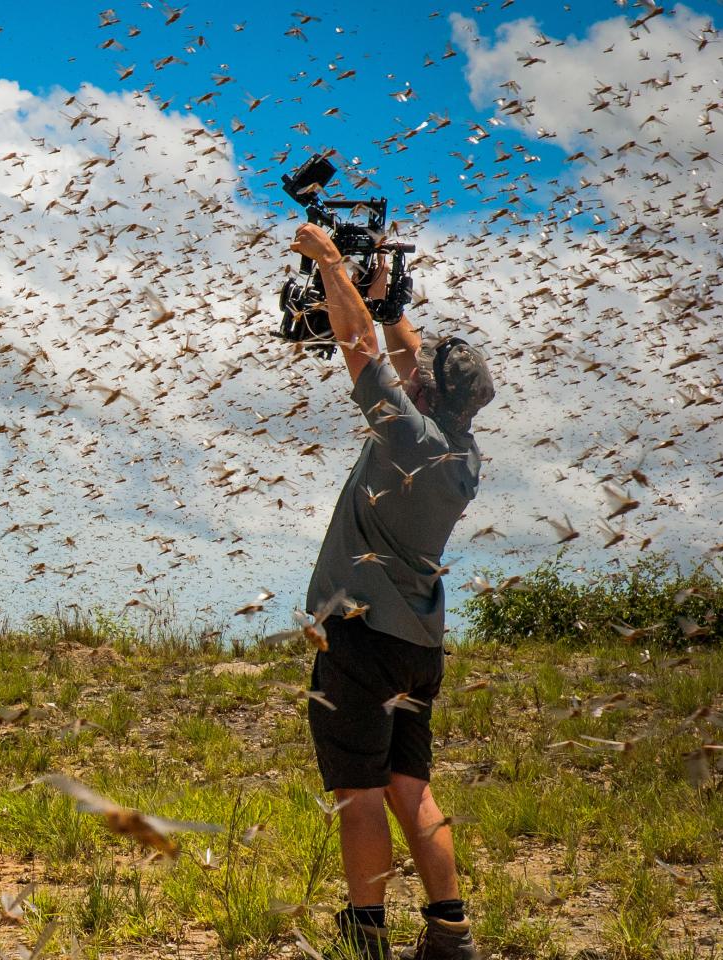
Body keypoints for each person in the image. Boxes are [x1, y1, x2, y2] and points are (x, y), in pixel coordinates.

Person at [288, 223, 496, 960]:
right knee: (412, 788)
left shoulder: (405, 437)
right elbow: (403, 358)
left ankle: (364, 938)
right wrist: (384, 299)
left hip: (362, 641)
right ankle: (450, 930)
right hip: (418, 650)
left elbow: (356, 349)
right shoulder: (462, 453)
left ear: (425, 394)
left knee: (361, 794)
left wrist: (333, 266)